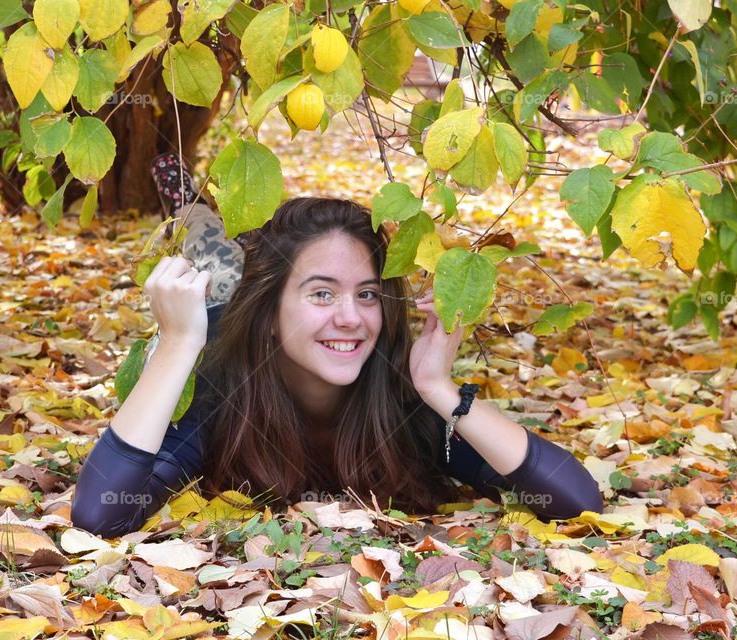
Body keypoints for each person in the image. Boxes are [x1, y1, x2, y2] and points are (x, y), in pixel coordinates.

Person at [70, 153, 603, 537]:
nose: (350, 318)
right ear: (275, 314)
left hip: (259, 306)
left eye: (367, 294)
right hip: (223, 319)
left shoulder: (401, 400)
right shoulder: (218, 385)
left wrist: (440, 389)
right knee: (216, 264)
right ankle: (193, 207)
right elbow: (100, 515)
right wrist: (178, 342)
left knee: (234, 265)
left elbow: (578, 503)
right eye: (322, 292)